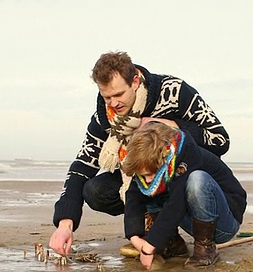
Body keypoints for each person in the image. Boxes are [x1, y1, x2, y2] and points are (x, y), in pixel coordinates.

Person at [49, 51, 230, 257]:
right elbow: (81, 168)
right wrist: (65, 223)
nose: (113, 103)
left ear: (135, 81)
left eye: (118, 95)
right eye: (106, 97)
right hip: (144, 180)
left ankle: (189, 240)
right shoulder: (104, 119)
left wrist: (169, 125)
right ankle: (165, 237)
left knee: (171, 178)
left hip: (187, 176)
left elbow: (220, 140)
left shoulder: (174, 92)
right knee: (95, 190)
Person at [121, 121, 247, 270]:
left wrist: (149, 247)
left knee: (196, 179)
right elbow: (134, 197)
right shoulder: (149, 165)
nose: (147, 179)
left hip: (223, 223)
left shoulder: (187, 153)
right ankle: (172, 243)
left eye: (149, 174)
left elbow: (176, 205)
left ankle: (205, 249)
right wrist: (135, 237)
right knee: (150, 188)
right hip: (193, 219)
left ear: (163, 157)